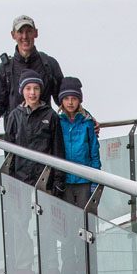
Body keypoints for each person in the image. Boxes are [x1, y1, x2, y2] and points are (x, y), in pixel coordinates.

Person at [0, 15, 63, 144]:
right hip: (15, 143)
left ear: (36, 33)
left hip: (45, 143)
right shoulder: (5, 69)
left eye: (29, 31)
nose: (25, 36)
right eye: (20, 32)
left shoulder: (49, 64)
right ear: (13, 35)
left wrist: (85, 117)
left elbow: (65, 99)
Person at [5, 70, 65, 195]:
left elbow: (58, 150)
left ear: (41, 90)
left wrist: (58, 181)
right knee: (24, 213)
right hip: (21, 179)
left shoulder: (51, 115)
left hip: (45, 179)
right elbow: (9, 151)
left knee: (45, 213)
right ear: (22, 91)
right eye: (28, 88)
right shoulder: (15, 116)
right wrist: (9, 178)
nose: (32, 93)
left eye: (36, 88)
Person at [57, 77, 101, 209]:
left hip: (85, 178)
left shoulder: (87, 122)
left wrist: (96, 178)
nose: (70, 102)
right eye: (66, 98)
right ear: (61, 101)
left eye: (74, 98)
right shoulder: (57, 122)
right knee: (68, 217)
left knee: (88, 215)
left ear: (79, 100)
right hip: (65, 178)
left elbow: (94, 151)